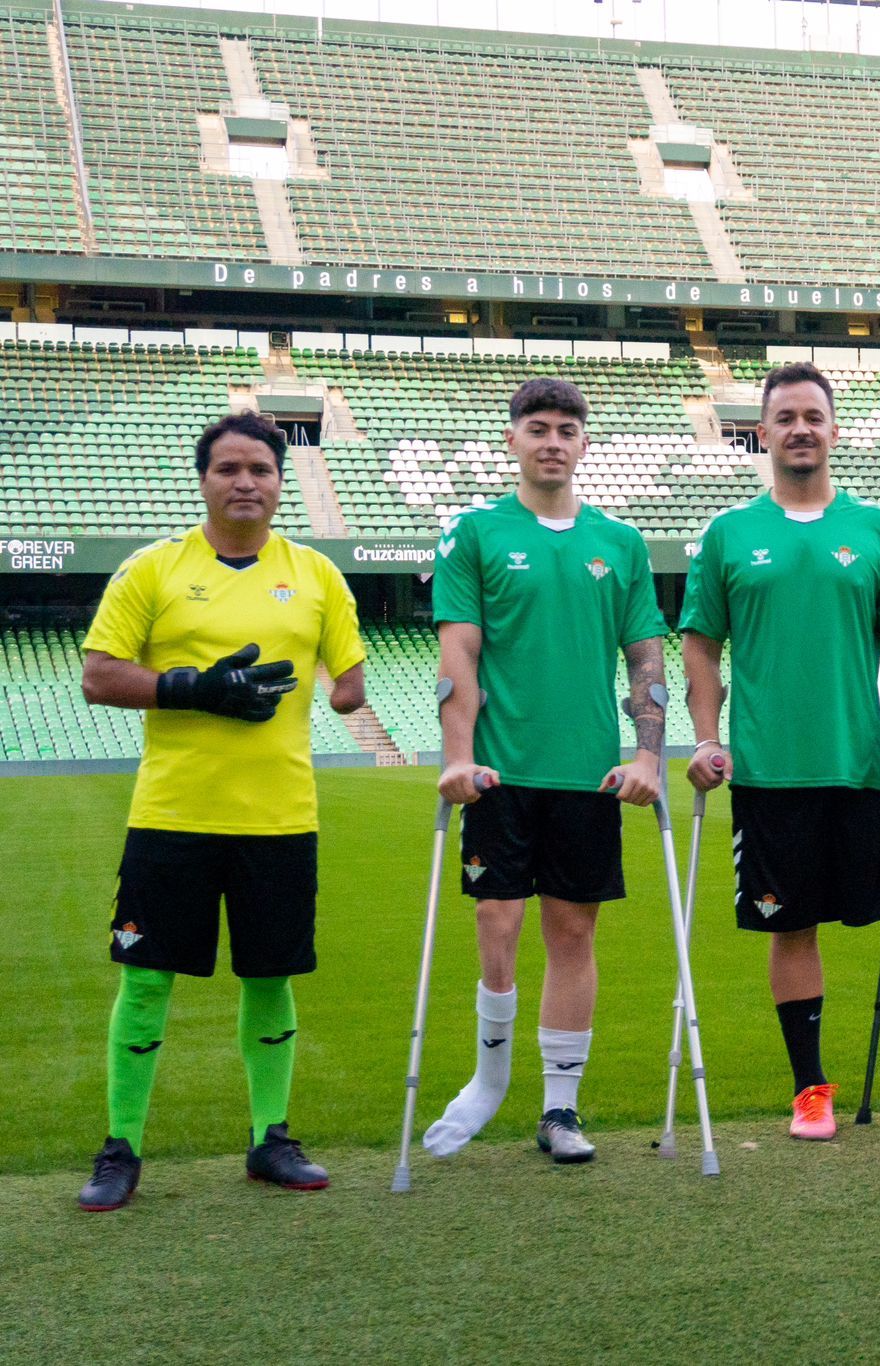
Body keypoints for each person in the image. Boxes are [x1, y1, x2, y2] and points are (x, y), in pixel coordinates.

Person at [76, 411, 365, 1211]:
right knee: (145, 980)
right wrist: (196, 687)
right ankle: (121, 1147)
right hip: (172, 816)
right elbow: (99, 676)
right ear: (203, 479)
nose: (245, 483)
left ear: (280, 482)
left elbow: (350, 686)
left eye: (260, 470)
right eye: (228, 469)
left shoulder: (315, 575)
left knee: (270, 978)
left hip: (279, 818)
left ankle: (270, 1138)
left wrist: (341, 688)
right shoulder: (153, 569)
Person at [679, 361, 880, 1141]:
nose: (799, 429)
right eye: (784, 416)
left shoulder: (875, 528)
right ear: (764, 430)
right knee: (791, 928)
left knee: (857, 917)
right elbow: (700, 644)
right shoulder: (730, 533)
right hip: (766, 768)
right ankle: (809, 1088)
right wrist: (708, 739)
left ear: (832, 429)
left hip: (855, 762)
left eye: (812, 417)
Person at [425, 378, 668, 1165]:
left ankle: (560, 1108)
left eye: (567, 428)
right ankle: (490, 1080)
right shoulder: (475, 533)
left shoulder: (620, 543)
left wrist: (647, 755)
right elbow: (458, 652)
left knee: (573, 930)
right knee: (497, 922)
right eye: (538, 427)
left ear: (584, 444)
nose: (553, 441)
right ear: (513, 440)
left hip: (588, 774)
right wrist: (458, 756)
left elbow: (644, 659)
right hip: (501, 771)